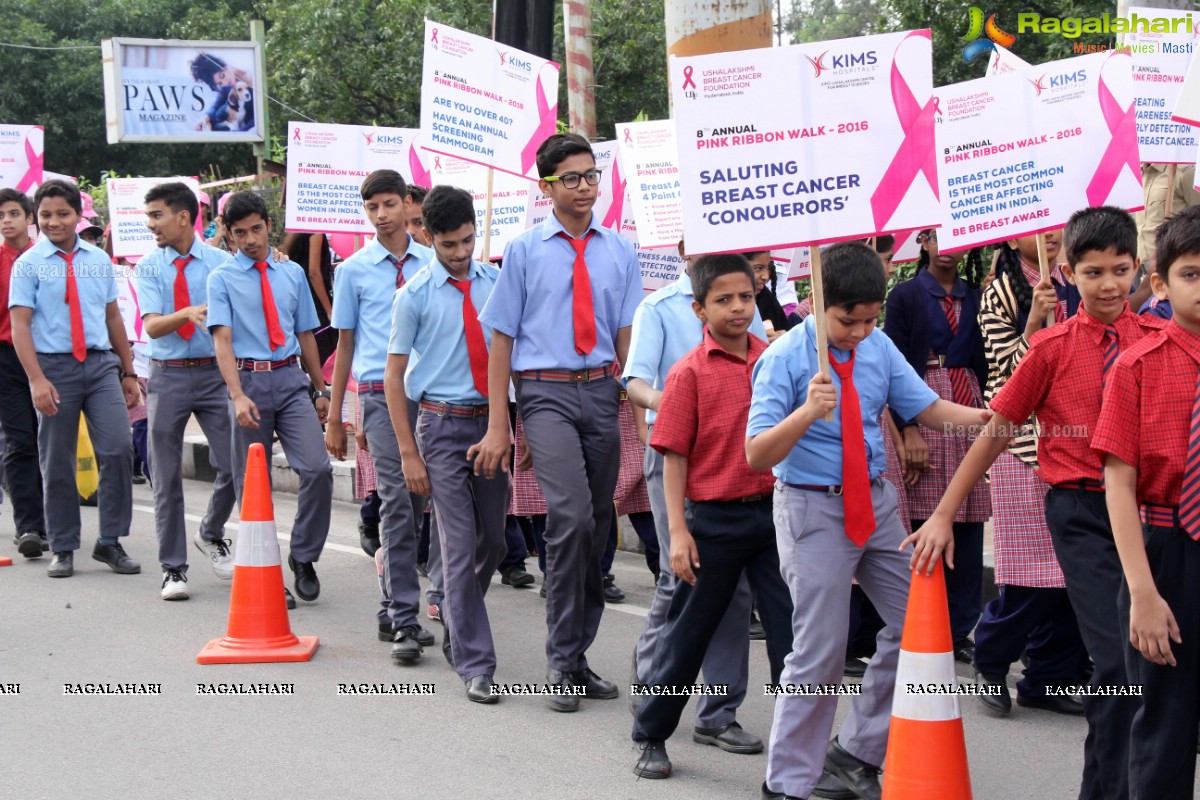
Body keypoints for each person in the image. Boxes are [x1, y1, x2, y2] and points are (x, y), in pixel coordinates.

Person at [911, 207, 1165, 800]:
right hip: (1079, 514)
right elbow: (997, 429)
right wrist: (945, 514)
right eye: (1094, 271)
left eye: (1121, 270)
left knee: (1143, 667)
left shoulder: (1156, 341)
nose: (1108, 284)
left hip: (1153, 518)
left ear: (1139, 271)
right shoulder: (1049, 348)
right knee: (1119, 660)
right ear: (1068, 273)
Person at [745, 242, 990, 800]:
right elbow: (757, 454)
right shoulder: (783, 360)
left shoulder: (877, 346)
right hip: (811, 508)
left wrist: (987, 419)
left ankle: (856, 751)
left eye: (869, 319)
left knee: (921, 629)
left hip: (877, 505)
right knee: (820, 651)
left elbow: (927, 408)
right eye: (846, 320)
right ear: (817, 301)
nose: (858, 331)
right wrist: (807, 411)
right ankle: (788, 782)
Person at [476, 133, 643, 710]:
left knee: (597, 526)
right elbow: (501, 339)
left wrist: (640, 404)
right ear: (545, 186)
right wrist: (501, 423)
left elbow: (628, 337)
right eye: (570, 178)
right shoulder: (522, 251)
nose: (583, 187)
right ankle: (558, 657)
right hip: (543, 395)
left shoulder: (621, 250)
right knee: (569, 517)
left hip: (602, 393)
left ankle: (575, 656)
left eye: (591, 175)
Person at [630, 254, 794, 779]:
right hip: (713, 524)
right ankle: (651, 733)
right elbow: (673, 454)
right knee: (688, 635)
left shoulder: (776, 359)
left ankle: (801, 744)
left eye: (746, 296)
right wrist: (678, 531)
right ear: (700, 308)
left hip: (774, 518)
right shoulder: (688, 373)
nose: (738, 308)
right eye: (724, 300)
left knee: (794, 635)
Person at [1094, 203, 1200, 800]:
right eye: (1191, 273)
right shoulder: (1136, 366)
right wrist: (1143, 593)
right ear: (1159, 283)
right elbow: (1120, 484)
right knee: (1164, 727)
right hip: (1166, 553)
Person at [385, 185, 507, 702]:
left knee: (494, 543)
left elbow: (508, 357)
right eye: (449, 244)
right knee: (457, 546)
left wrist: (507, 424)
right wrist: (408, 453)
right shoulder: (411, 296)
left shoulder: (498, 283)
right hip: (438, 426)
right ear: (427, 236)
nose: (460, 253)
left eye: (468, 241)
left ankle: (458, 616)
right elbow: (393, 378)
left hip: (491, 425)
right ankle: (476, 662)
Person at [972, 232, 1089, 717]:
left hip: (1077, 444)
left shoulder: (1076, 280)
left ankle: (1050, 677)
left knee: (1074, 574)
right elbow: (1006, 374)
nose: (1051, 234)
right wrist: (1037, 320)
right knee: (1029, 574)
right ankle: (991, 661)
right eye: (1037, 227)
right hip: (1020, 445)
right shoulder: (998, 291)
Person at [323, 170, 437, 656]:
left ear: (406, 203)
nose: (383, 214)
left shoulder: (434, 263)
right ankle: (402, 617)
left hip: (432, 394)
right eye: (373, 207)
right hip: (376, 393)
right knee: (395, 500)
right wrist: (335, 413)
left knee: (421, 502)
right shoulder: (351, 270)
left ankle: (402, 599)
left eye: (390, 204)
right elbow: (345, 343)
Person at [10, 179, 142, 578]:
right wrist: (36, 379)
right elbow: (20, 326)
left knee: (119, 448)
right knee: (57, 460)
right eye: (46, 215)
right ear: (37, 217)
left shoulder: (98, 260)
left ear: (77, 215)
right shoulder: (28, 264)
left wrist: (129, 370)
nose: (55, 222)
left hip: (101, 366)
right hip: (53, 369)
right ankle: (64, 546)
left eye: (63, 214)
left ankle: (110, 542)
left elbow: (112, 316)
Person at [207, 190, 332, 607]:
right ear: (228, 234)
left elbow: (306, 335)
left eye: (256, 229)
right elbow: (222, 341)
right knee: (251, 486)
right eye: (240, 232)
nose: (250, 240)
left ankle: (303, 555)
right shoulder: (221, 278)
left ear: (269, 226)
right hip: (248, 382)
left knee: (317, 468)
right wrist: (237, 395)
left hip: (291, 378)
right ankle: (266, 573)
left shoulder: (291, 272)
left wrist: (320, 389)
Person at [883, 230, 991, 664]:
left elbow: (984, 359)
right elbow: (897, 365)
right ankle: (924, 617)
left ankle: (962, 626)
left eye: (957, 237)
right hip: (922, 396)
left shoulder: (977, 296)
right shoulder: (906, 295)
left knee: (968, 514)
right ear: (924, 241)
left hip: (969, 396)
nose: (948, 247)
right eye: (938, 237)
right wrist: (907, 428)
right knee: (925, 510)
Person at [137, 181, 238, 601]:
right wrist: (186, 312)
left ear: (182, 216)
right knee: (165, 476)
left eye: (157, 215)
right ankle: (173, 568)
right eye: (148, 217)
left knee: (235, 462)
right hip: (167, 375)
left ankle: (211, 532)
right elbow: (152, 325)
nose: (150, 225)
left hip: (216, 375)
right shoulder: (148, 267)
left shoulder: (221, 262)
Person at [0, 188, 46, 559]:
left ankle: (55, 523)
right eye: (1, 215)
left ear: (29, 218)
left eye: (14, 213)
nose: (7, 220)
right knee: (20, 441)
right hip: (6, 360)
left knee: (50, 440)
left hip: (48, 358)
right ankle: (29, 525)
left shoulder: (45, 258)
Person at [284, 232, 336, 365]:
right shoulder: (316, 233)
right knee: (325, 356)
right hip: (316, 300)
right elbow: (313, 272)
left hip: (305, 297)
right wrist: (329, 310)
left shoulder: (300, 234)